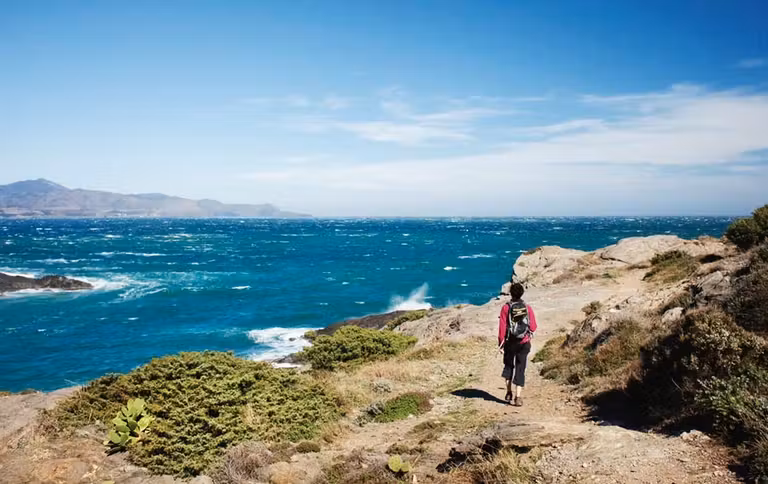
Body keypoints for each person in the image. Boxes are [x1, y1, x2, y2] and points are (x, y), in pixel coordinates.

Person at [498, 282, 537, 406]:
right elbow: (533, 326)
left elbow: (502, 329)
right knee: (520, 368)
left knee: (509, 366)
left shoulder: (506, 308)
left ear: (511, 293)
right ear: (522, 293)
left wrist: (501, 344)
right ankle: (518, 397)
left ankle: (509, 392)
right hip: (524, 342)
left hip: (510, 342)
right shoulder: (527, 307)